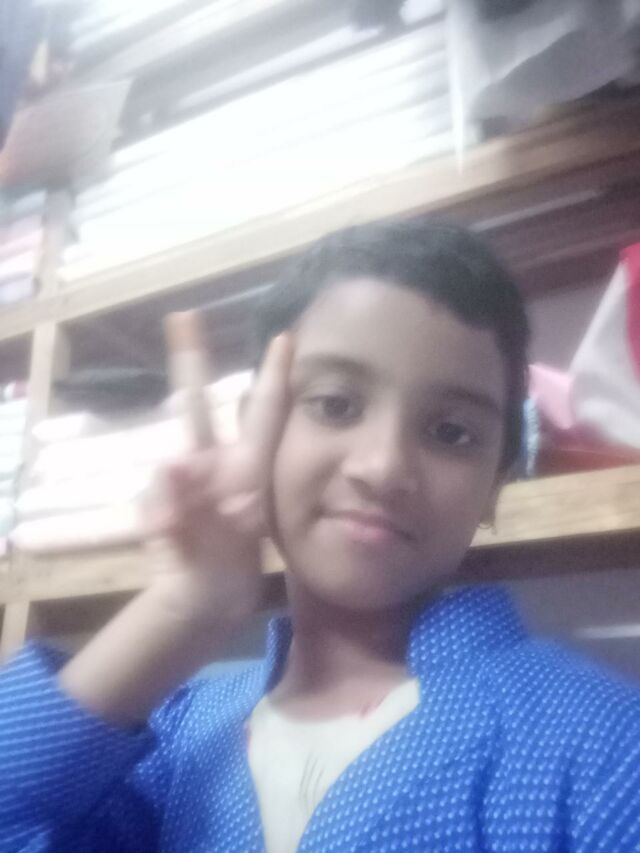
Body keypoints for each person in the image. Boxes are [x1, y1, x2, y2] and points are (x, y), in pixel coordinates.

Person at [1, 221, 640, 853]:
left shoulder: (608, 754)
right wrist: (185, 606)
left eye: (451, 432)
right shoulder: (181, 734)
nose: (383, 466)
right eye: (336, 404)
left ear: (497, 479)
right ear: (258, 429)